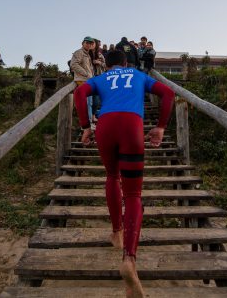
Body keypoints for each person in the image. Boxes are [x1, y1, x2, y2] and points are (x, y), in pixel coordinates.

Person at [73, 50, 175, 298]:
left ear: (107, 64)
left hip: (106, 125)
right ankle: (129, 258)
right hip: (132, 126)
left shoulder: (101, 78)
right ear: (127, 62)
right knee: (133, 193)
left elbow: (79, 93)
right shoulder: (139, 75)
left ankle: (116, 232)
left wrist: (86, 127)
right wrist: (160, 127)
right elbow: (168, 93)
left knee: (111, 176)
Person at [70, 36, 96, 122]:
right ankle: (86, 124)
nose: (89, 45)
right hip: (82, 80)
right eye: (87, 43)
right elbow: (73, 64)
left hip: (88, 81)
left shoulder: (88, 54)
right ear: (82, 43)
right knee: (87, 103)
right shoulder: (79, 52)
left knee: (90, 103)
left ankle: (89, 123)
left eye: (90, 43)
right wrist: (86, 73)